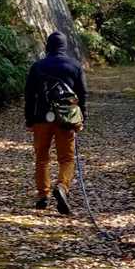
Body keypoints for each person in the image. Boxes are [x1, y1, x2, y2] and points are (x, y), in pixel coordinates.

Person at [24, 30, 87, 215]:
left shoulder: (37, 66)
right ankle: (62, 186)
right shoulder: (74, 66)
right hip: (65, 119)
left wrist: (29, 119)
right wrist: (82, 118)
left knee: (42, 158)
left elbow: (29, 95)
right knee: (66, 158)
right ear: (64, 46)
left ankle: (42, 196)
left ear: (48, 46)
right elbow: (82, 95)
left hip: (41, 118)